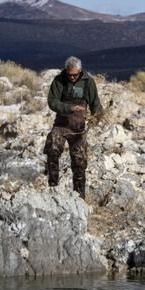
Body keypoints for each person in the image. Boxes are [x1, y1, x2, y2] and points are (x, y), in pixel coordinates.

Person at [44, 56, 103, 199]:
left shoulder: (88, 82)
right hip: (61, 126)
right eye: (69, 74)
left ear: (80, 71)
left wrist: (98, 116)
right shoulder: (59, 80)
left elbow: (95, 103)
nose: (72, 77)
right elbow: (52, 102)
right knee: (52, 149)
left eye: (75, 75)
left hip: (79, 129)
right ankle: (53, 188)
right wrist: (69, 108)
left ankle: (79, 197)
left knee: (79, 162)